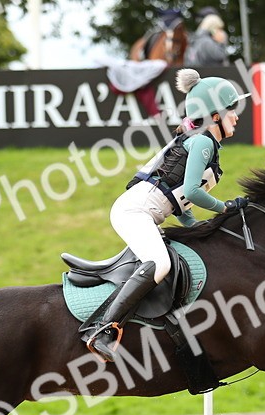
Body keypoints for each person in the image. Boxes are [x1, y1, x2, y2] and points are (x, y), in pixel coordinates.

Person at [86, 69, 248, 361]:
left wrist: (200, 228)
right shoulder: (203, 142)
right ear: (215, 116)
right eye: (231, 111)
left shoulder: (203, 143)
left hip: (143, 212)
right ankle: (102, 330)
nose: (236, 117)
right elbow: (193, 192)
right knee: (160, 264)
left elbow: (181, 204)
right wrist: (225, 208)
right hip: (134, 211)